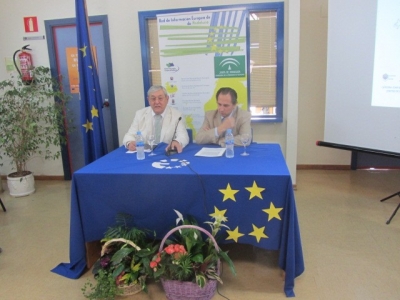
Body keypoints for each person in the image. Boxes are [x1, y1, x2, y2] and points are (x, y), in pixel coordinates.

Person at [123, 85, 189, 153]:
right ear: (148, 100)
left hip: (165, 153)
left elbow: (183, 136)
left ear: (167, 99)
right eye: (153, 99)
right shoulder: (140, 114)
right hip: (146, 154)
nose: (157, 102)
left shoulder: (177, 116)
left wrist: (177, 142)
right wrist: (129, 143)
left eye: (160, 98)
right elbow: (129, 135)